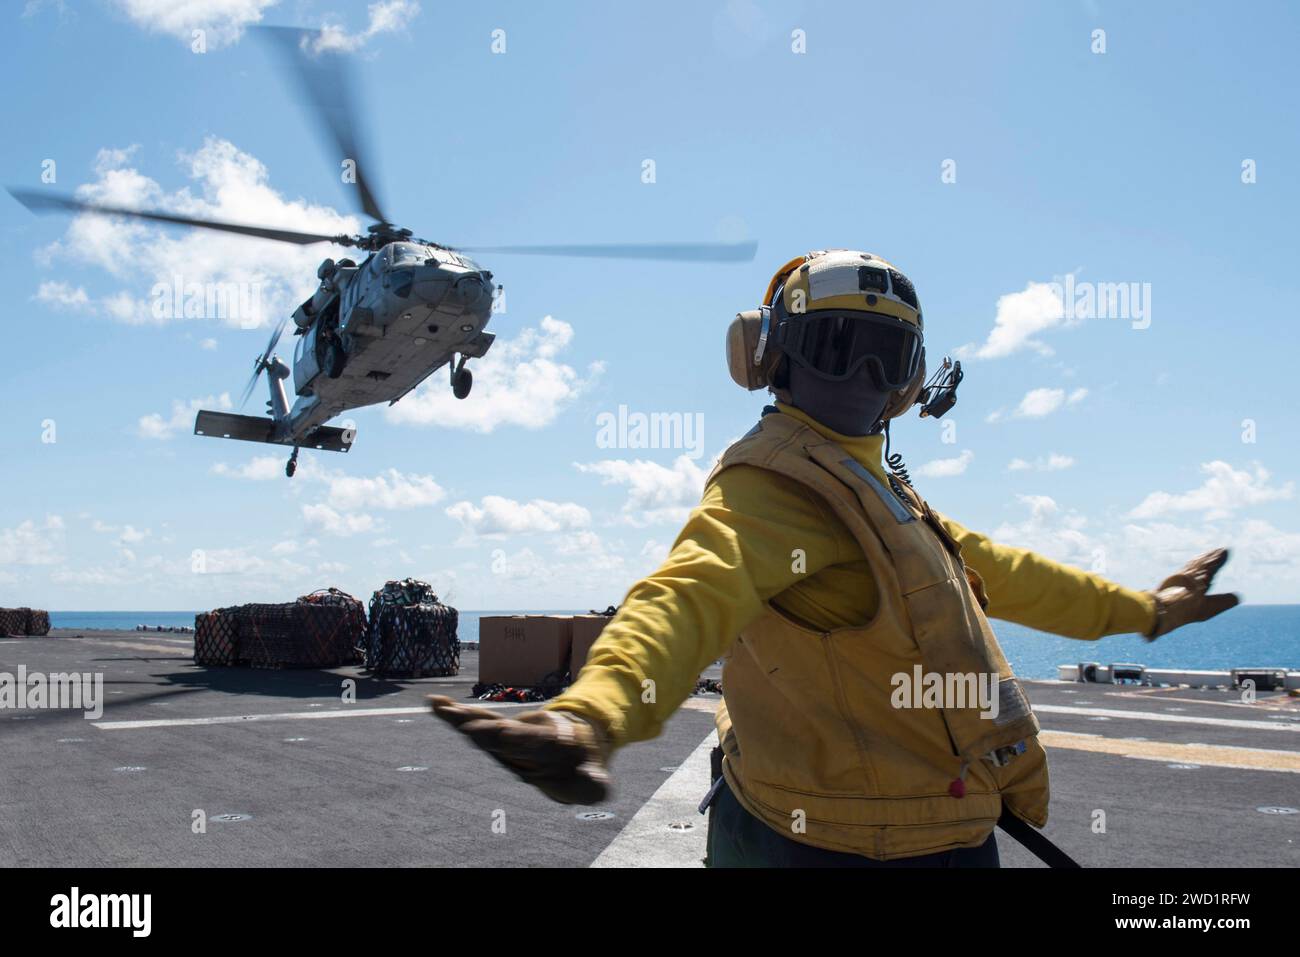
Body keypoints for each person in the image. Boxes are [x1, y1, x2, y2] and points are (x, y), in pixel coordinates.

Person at [430, 249, 1238, 867]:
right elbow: (683, 597)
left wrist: (1152, 610)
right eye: (837, 344)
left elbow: (1013, 575)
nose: (863, 375)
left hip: (940, 827)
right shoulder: (773, 489)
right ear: (772, 354)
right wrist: (592, 714)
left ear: (909, 379)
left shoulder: (883, 496)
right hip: (831, 844)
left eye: (886, 355)